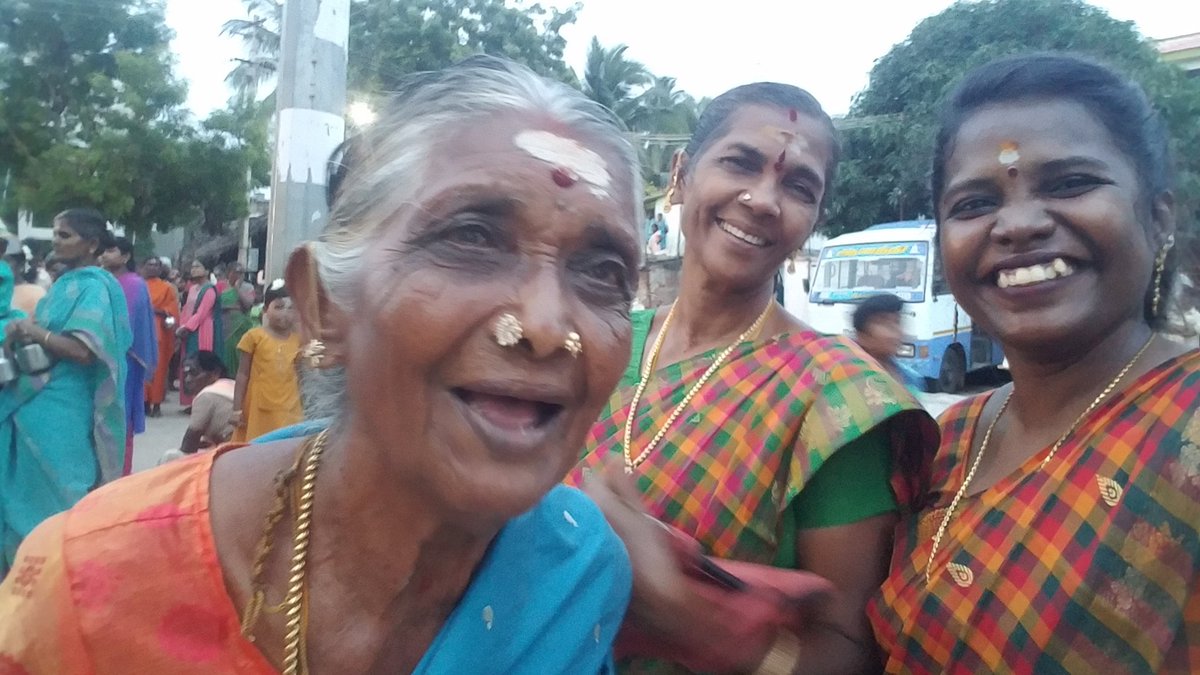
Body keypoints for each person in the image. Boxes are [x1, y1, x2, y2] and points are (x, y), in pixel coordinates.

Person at [0, 56, 643, 672]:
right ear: (323, 304)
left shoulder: (579, 572)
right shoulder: (96, 579)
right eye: (470, 239)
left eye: (603, 271)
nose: (544, 326)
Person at [571, 82, 937, 674]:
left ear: (814, 216)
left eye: (798, 187)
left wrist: (683, 616)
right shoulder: (597, 338)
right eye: (739, 162)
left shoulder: (836, 399)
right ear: (682, 174)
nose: (764, 199)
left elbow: (847, 650)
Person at [869, 53, 1200, 673]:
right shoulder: (945, 440)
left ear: (1159, 218)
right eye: (974, 204)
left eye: (1071, 183)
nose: (1017, 225)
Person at [0, 208, 130, 575]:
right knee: (20, 496)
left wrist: (31, 331)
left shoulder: (94, 286)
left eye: (65, 235)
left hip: (63, 409)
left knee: (60, 499)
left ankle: (56, 583)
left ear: (91, 244)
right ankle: (23, 585)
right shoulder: (63, 284)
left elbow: (83, 351)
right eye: (55, 234)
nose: (56, 241)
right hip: (33, 400)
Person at [100, 235, 158, 475]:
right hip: (98, 357)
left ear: (126, 256)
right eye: (104, 250)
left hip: (124, 359)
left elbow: (130, 324)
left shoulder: (134, 284)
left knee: (120, 419)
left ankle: (120, 474)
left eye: (111, 250)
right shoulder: (99, 280)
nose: (104, 255)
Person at [232, 281, 302, 442]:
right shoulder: (254, 337)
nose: (285, 313)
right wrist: (237, 410)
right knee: (257, 450)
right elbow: (242, 375)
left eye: (291, 308)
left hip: (290, 409)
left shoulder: (299, 341)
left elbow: (301, 375)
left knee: (286, 450)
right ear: (264, 310)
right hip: (258, 409)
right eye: (278, 307)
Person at [853, 294, 924, 392]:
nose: (896, 330)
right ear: (861, 336)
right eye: (884, 322)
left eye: (897, 322)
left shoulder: (911, 379)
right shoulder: (849, 377)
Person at [177, 258, 222, 408]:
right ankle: (191, 401)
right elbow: (186, 310)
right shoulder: (192, 289)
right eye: (192, 266)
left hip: (203, 330)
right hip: (189, 330)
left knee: (200, 364)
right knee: (188, 364)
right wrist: (181, 326)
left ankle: (202, 401)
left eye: (198, 266)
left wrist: (186, 327)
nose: (193, 269)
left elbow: (202, 313)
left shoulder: (209, 290)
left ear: (207, 271)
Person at [143, 256, 179, 417]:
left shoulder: (166, 288)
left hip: (160, 332)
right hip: (141, 330)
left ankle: (156, 404)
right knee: (142, 367)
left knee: (158, 369)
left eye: (155, 265)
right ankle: (143, 403)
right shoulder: (139, 286)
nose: (152, 268)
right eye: (149, 264)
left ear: (160, 269)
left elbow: (172, 311)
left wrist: (159, 311)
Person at [179, 350, 236, 454]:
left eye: (194, 373)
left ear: (215, 373)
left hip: (233, 453)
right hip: (251, 447)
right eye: (186, 374)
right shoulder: (234, 386)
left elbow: (190, 440)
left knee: (171, 457)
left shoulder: (207, 395)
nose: (187, 380)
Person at [220, 261, 257, 375]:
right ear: (228, 273)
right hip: (225, 326)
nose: (239, 275)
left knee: (239, 354)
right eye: (236, 272)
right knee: (225, 354)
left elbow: (248, 305)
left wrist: (237, 289)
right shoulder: (221, 286)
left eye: (242, 273)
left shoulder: (247, 287)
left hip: (240, 326)